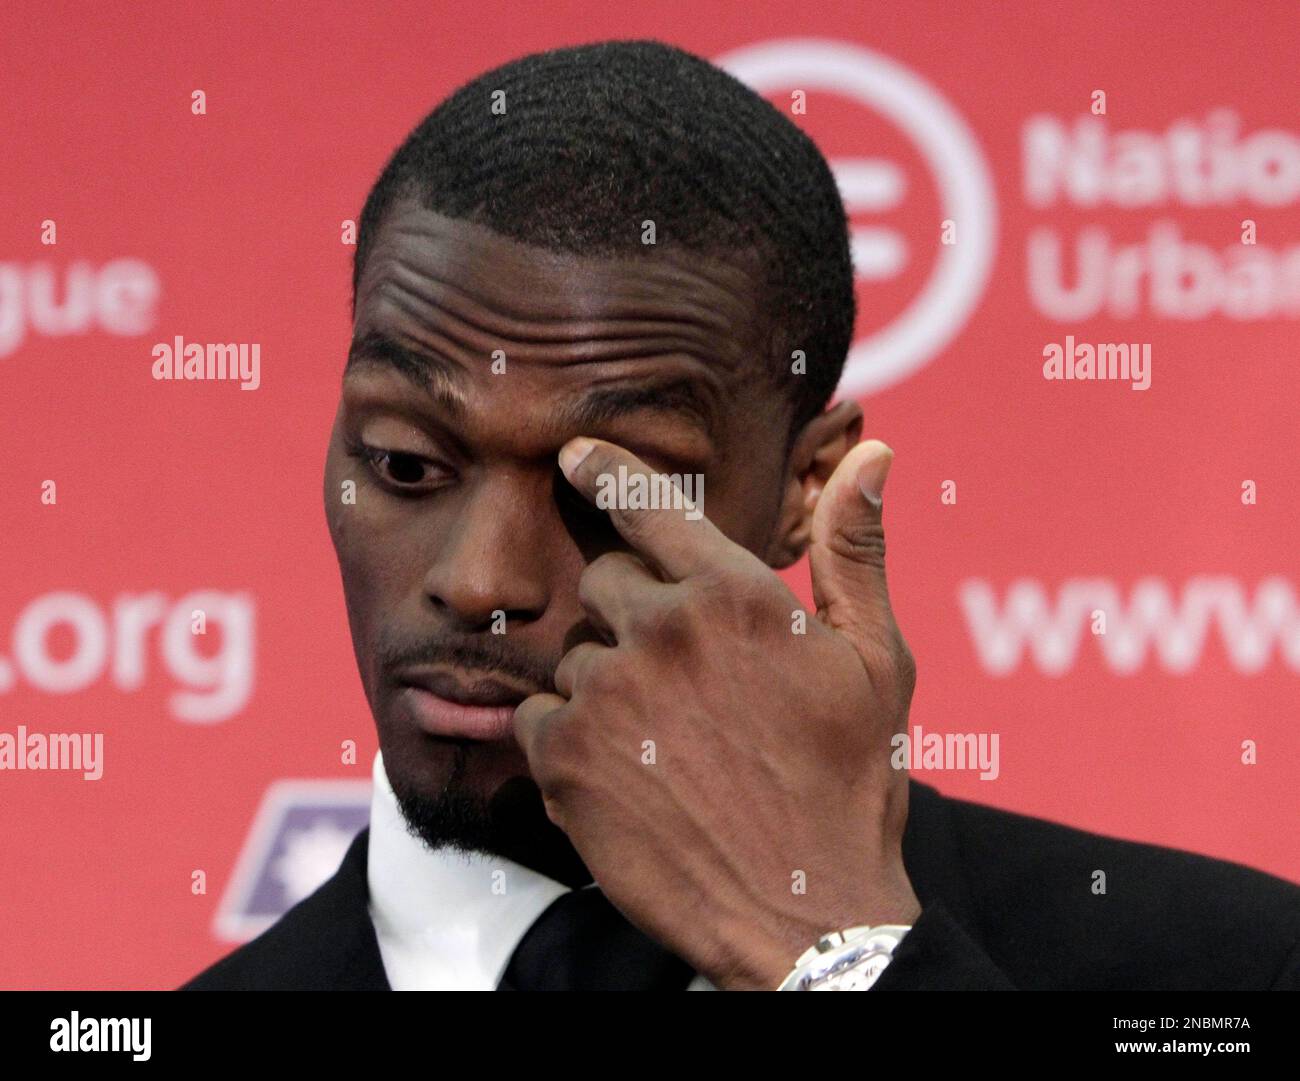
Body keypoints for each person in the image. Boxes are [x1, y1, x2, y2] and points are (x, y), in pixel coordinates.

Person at [181, 39, 1299, 991]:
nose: (479, 580)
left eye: (606, 487)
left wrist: (837, 956)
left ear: (805, 491)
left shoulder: (1226, 969)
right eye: (406, 463)